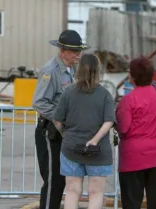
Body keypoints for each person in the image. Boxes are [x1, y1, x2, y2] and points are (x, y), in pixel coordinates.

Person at [32, 30, 88, 209]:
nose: (78, 54)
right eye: (74, 51)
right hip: (50, 131)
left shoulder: (71, 69)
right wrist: (60, 118)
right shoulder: (51, 71)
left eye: (79, 50)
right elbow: (39, 102)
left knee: (60, 179)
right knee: (53, 179)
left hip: (63, 132)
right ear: (62, 50)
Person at [53, 53, 116, 209]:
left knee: (72, 190)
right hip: (98, 150)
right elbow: (109, 121)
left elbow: (57, 120)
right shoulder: (104, 94)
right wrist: (95, 140)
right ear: (98, 70)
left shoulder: (68, 92)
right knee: (95, 192)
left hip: (71, 149)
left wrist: (65, 134)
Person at [115, 57, 156, 209]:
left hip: (133, 157)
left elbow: (123, 128)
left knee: (132, 202)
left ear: (133, 77)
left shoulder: (128, 101)